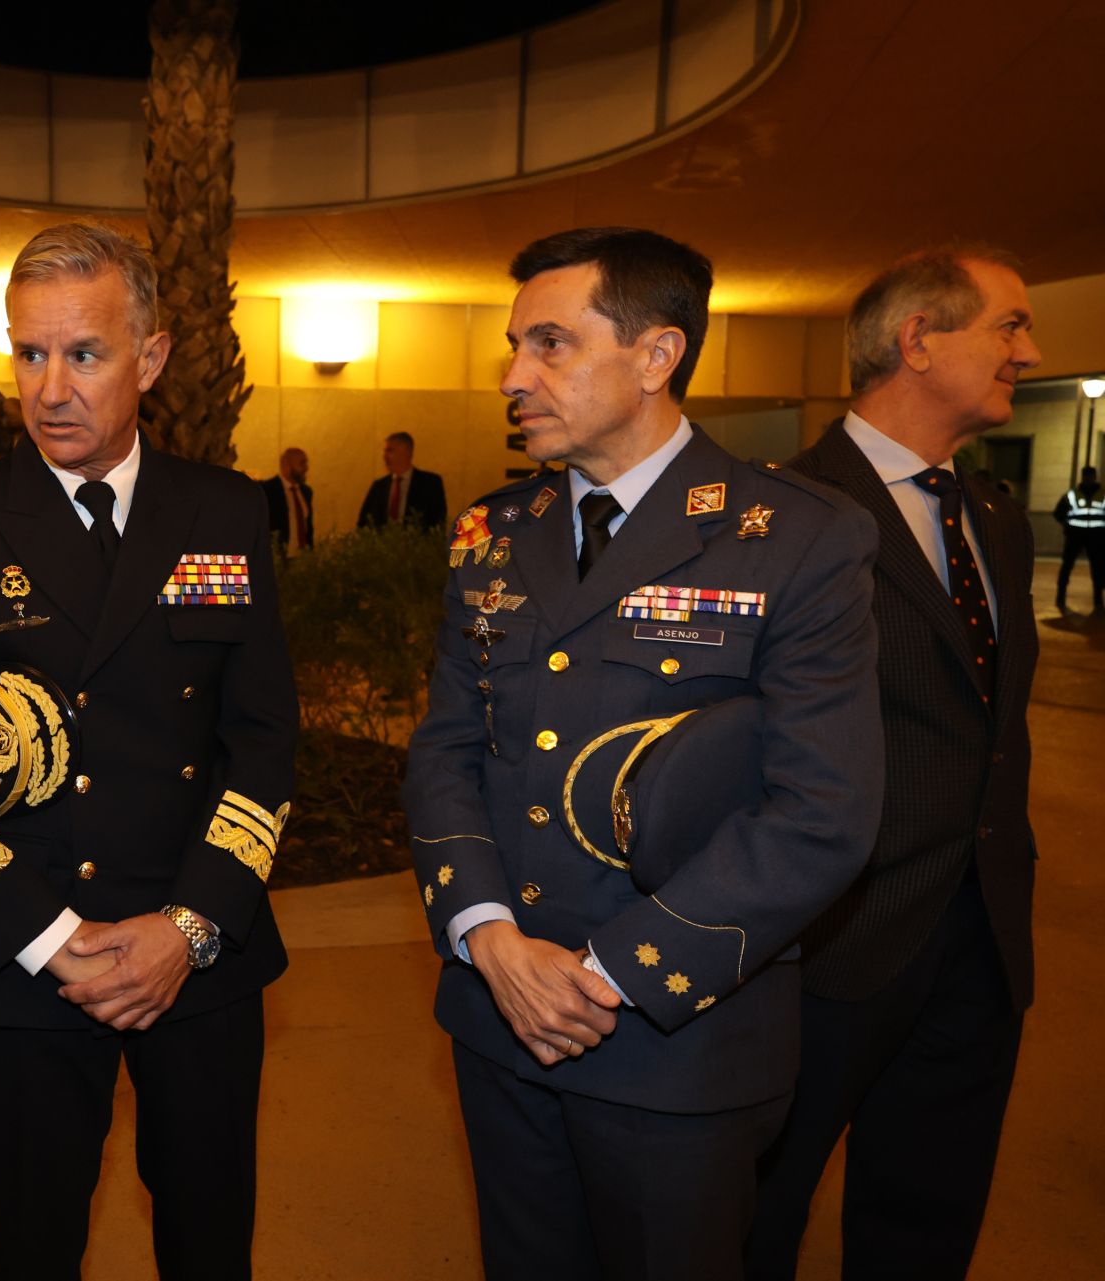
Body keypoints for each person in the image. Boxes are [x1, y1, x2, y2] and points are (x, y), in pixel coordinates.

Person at [402, 226, 884, 1281]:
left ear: (657, 357)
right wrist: (487, 936)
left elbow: (823, 812)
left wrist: (608, 974)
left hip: (680, 1044)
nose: (513, 377)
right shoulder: (491, 531)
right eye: (514, 347)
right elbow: (447, 745)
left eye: (551, 345)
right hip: (500, 1019)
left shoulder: (797, 536)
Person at [0, 221, 298, 1281]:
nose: (50, 387)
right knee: (32, 1244)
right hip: (25, 956)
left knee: (210, 1239)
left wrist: (191, 924)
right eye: (30, 353)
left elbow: (260, 736)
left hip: (195, 948)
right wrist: (45, 936)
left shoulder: (222, 509)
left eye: (85, 354)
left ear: (150, 358)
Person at [747, 249, 1044, 1281]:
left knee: (928, 1216)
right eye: (1010, 326)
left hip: (980, 941)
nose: (1030, 352)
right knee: (754, 1217)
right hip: (831, 942)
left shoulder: (995, 518)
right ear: (920, 338)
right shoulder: (782, 513)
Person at [357, 430, 446, 529]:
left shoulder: (430, 484)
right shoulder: (378, 486)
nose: (384, 456)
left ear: (406, 452)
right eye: (385, 451)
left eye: (390, 450)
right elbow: (363, 524)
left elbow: (438, 523)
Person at [1053, 464, 1103, 612]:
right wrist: (1067, 525)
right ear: (1084, 477)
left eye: (1091, 476)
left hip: (1096, 537)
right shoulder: (1071, 495)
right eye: (1087, 476)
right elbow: (1058, 513)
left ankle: (1098, 601)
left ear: (1094, 477)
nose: (1089, 479)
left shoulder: (1103, 494)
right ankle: (1060, 597)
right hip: (1076, 536)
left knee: (1097, 569)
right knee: (1067, 566)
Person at [260, 446, 313, 554]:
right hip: (278, 560)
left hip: (303, 559)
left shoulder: (306, 492)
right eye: (302, 463)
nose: (306, 468)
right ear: (287, 466)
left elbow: (308, 526)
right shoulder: (267, 490)